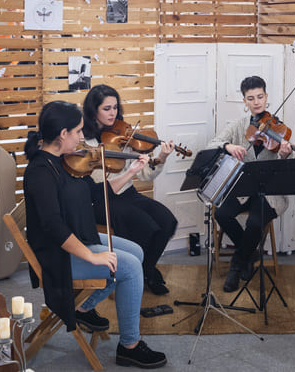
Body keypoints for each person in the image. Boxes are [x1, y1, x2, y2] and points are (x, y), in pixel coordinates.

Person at [23, 101, 167, 368]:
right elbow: (54, 226)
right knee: (131, 267)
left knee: (136, 251)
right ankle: (130, 346)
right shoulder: (40, 172)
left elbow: (97, 193)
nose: (82, 136)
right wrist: (91, 256)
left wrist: (132, 172)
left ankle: (84, 307)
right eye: (77, 131)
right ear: (63, 134)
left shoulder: (67, 162)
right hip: (57, 255)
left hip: (79, 236)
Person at [82, 84, 179, 295]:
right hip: (101, 199)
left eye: (115, 107)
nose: (113, 113)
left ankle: (145, 270)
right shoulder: (83, 141)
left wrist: (160, 157)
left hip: (127, 194)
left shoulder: (123, 136)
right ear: (93, 111)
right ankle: (137, 272)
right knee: (147, 227)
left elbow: (145, 174)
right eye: (106, 108)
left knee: (167, 220)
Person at [207, 76, 293, 292]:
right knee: (221, 214)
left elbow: (288, 169)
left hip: (269, 193)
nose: (256, 102)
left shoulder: (280, 129)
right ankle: (250, 253)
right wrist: (228, 146)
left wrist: (285, 155)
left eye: (260, 97)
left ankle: (237, 264)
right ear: (244, 102)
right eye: (251, 98)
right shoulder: (238, 126)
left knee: (255, 223)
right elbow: (214, 144)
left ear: (266, 97)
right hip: (243, 189)